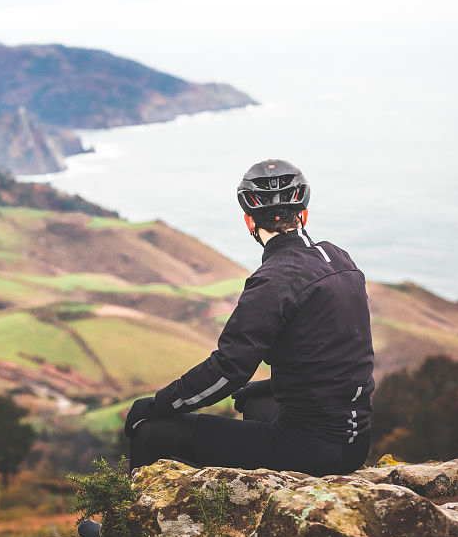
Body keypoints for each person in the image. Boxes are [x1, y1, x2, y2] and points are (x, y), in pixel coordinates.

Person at [125, 158, 375, 476]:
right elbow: (330, 358)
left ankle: (125, 525)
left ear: (249, 222)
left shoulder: (273, 280)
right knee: (253, 401)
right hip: (354, 442)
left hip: (309, 449)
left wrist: (159, 404)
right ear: (304, 214)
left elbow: (228, 370)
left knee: (151, 430)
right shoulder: (339, 259)